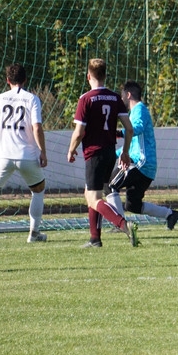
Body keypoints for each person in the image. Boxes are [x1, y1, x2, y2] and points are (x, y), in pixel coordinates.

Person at [67, 58, 138, 248]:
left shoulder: (86, 99)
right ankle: (95, 238)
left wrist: (71, 149)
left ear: (88, 76)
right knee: (92, 193)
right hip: (109, 153)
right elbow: (129, 129)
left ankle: (124, 225)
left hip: (94, 153)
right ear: (105, 76)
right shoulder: (115, 98)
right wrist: (124, 152)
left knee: (94, 198)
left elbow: (79, 132)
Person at [0, 63, 48, 246]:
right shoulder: (32, 99)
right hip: (27, 155)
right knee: (38, 190)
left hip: (4, 156)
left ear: (7, 80)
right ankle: (34, 232)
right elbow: (37, 127)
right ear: (25, 79)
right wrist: (43, 151)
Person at [106, 81, 178, 230]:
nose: (121, 101)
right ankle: (170, 214)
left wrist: (118, 133)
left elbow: (135, 129)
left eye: (122, 97)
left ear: (128, 95)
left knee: (109, 185)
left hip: (141, 162)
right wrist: (112, 154)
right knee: (132, 205)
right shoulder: (135, 113)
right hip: (147, 168)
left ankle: (120, 224)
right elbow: (132, 144)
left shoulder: (139, 109)